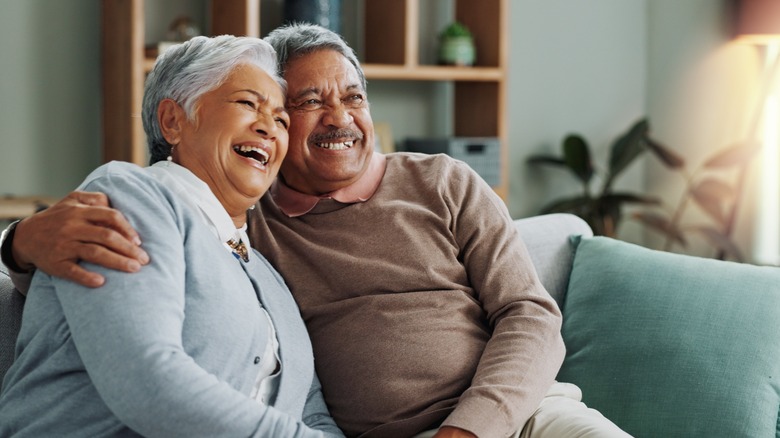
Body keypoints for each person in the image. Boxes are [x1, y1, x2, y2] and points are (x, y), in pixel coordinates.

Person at [1, 24, 631, 438]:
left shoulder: (437, 183)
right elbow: (132, 341)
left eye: (353, 97)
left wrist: (469, 431)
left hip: (520, 415)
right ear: (174, 119)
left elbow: (530, 314)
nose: (338, 119)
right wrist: (20, 242)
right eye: (293, 106)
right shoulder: (218, 217)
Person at [0, 34, 343, 438]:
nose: (269, 126)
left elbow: (312, 414)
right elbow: (147, 382)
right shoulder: (131, 197)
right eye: (248, 103)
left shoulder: (269, 278)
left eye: (282, 119)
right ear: (173, 121)